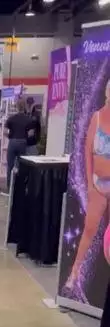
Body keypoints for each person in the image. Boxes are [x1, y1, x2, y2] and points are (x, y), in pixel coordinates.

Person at [65, 79, 110, 295]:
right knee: (89, 230)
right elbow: (86, 150)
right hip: (98, 184)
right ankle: (74, 273)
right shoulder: (97, 117)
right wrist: (91, 185)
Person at [5, 98, 31, 191]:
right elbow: (31, 133)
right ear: (25, 107)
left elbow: (5, 132)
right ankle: (20, 188)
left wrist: (10, 137)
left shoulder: (11, 119)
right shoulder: (28, 119)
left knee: (10, 166)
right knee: (21, 166)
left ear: (16, 107)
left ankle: (9, 187)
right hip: (22, 142)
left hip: (12, 142)